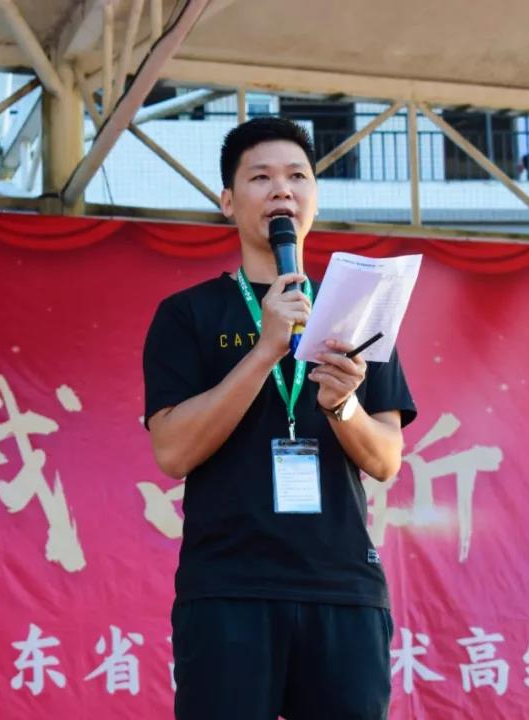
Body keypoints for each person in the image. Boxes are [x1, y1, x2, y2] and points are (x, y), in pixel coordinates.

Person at [142, 117, 417, 720]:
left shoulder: (356, 310)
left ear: (314, 197)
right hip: (229, 587)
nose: (282, 191)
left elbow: (386, 460)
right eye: (261, 177)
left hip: (342, 588)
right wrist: (267, 348)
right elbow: (173, 452)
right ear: (228, 201)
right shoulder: (187, 314)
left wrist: (342, 404)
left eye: (297, 177)